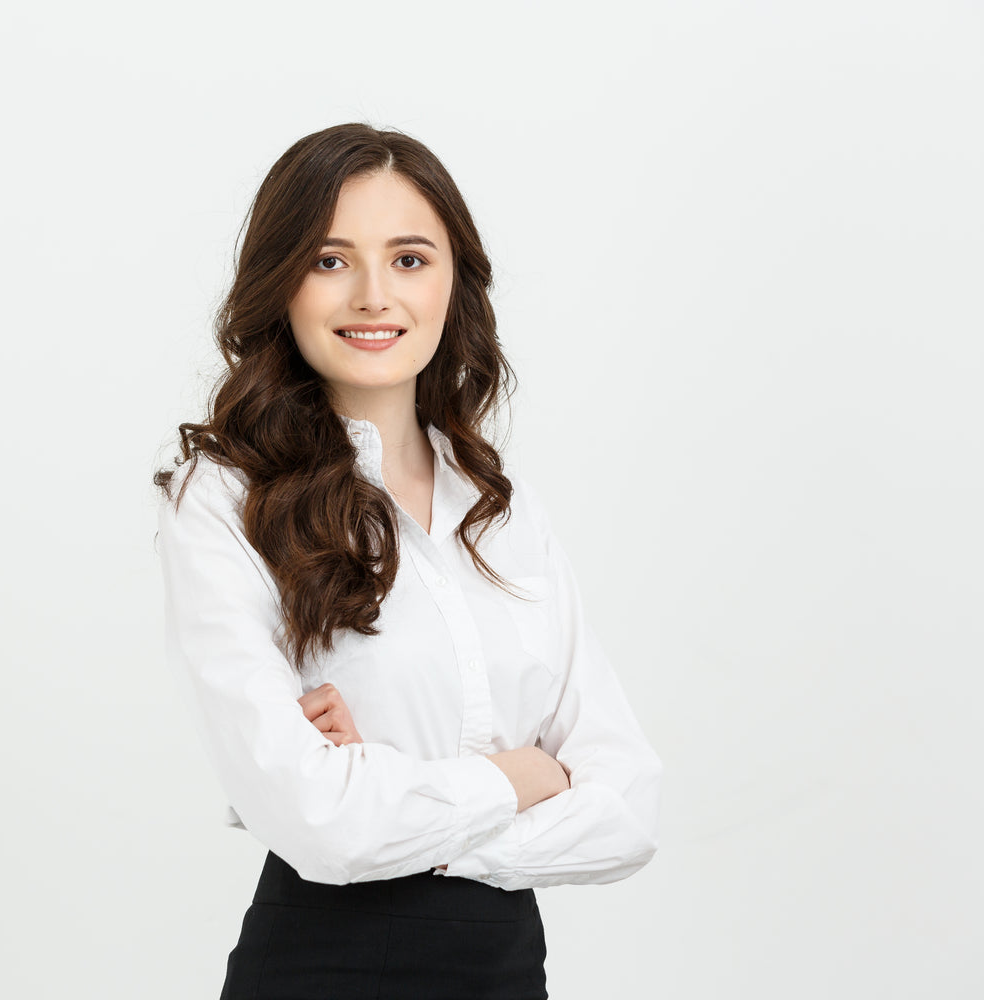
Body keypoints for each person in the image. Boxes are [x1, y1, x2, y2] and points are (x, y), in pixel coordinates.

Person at [153, 122, 662, 1000]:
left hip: (506, 972)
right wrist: (523, 776)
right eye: (329, 260)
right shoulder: (224, 496)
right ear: (281, 283)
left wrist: (402, 799)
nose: (373, 295)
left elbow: (628, 810)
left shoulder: (502, 511)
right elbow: (320, 825)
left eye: (410, 259)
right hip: (323, 968)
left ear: (453, 279)